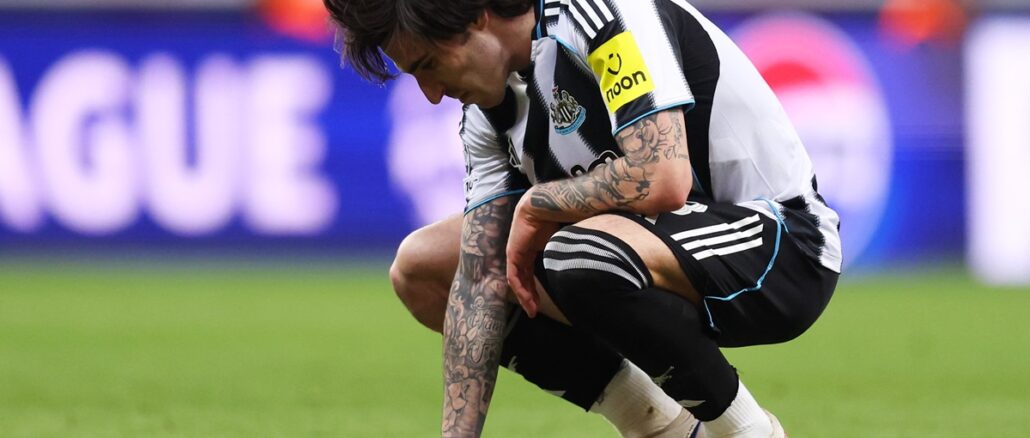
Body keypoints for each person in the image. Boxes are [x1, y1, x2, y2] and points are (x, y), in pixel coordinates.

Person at [325, 0, 841, 437]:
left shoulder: (599, 13)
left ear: (475, 16)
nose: (431, 93)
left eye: (428, 64)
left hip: (785, 248)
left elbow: (663, 176)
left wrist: (537, 203)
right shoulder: (487, 113)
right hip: (641, 255)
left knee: (576, 251)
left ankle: (747, 432)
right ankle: (665, 428)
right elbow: (480, 279)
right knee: (426, 268)